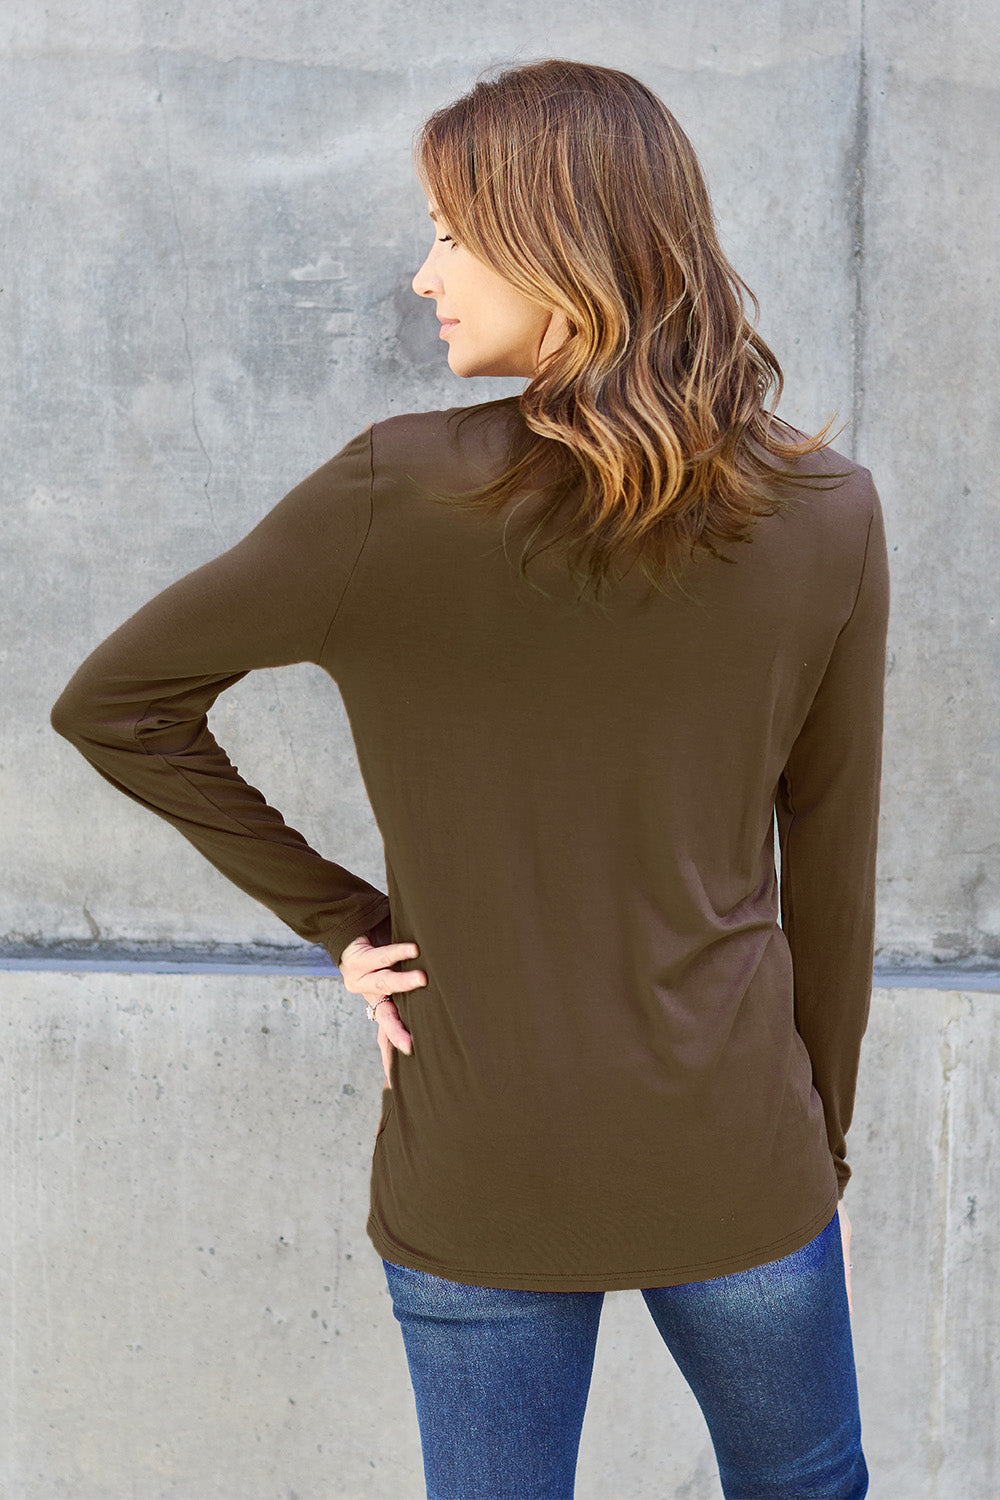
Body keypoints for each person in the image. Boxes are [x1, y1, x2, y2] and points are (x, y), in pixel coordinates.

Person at [50, 56, 889, 1500]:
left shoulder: (392, 495)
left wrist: (345, 923)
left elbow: (115, 706)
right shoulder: (826, 513)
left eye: (451, 231)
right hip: (743, 1149)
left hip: (481, 1157)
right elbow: (831, 862)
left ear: (561, 253)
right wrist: (831, 1159)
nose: (422, 272)